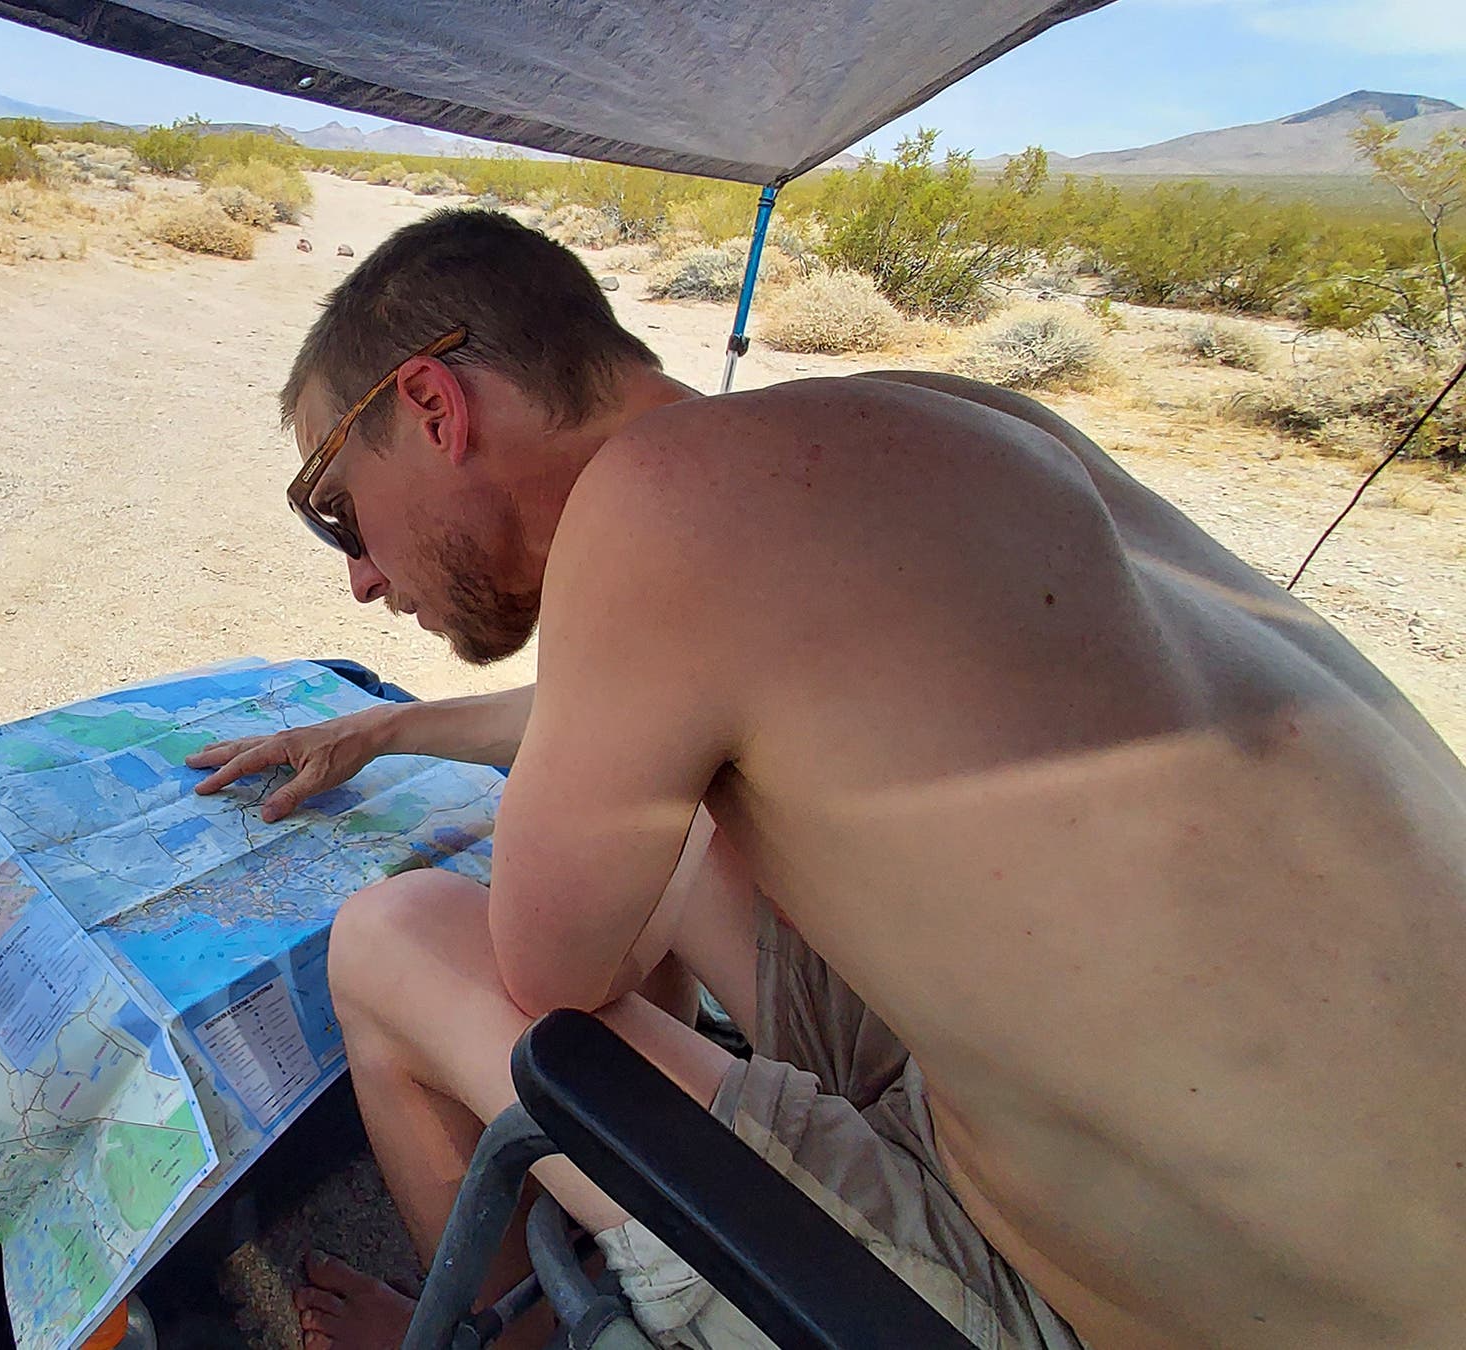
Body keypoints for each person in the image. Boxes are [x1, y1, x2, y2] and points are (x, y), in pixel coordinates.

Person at [183, 209, 1466, 1350]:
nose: (358, 575)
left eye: (337, 507)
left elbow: (550, 972)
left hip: (1093, 1310)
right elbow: (646, 717)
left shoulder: (653, 503)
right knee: (688, 839)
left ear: (432, 406)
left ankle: (501, 1325)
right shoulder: (922, 423)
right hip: (1324, 1235)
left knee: (392, 938)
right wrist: (385, 733)